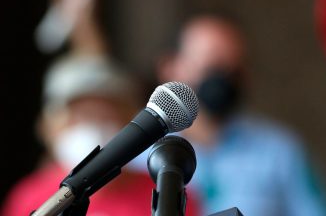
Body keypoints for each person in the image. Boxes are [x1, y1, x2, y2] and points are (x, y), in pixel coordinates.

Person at [157, 13, 326, 216]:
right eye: (211, 65)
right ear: (170, 68)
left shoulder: (279, 151)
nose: (223, 78)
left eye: (235, 69)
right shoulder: (140, 153)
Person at [2, 53, 201, 216]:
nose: (92, 124)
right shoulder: (28, 196)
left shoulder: (168, 194)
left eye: (104, 113)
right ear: (51, 126)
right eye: (80, 115)